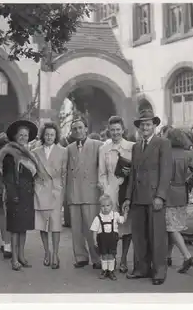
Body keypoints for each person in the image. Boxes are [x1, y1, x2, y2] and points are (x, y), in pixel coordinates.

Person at [124, 109, 172, 285]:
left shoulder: (163, 143)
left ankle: (159, 271)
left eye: (148, 124)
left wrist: (160, 196)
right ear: (138, 127)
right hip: (137, 197)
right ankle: (141, 269)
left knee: (157, 236)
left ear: (154, 125)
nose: (145, 127)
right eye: (142, 124)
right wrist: (128, 198)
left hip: (154, 198)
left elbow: (166, 172)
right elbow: (132, 174)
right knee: (139, 235)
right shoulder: (136, 146)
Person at [0, 120, 46, 271]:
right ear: (15, 136)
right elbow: (8, 178)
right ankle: (14, 259)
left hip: (27, 194)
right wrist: (13, 195)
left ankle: (21, 256)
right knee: (14, 228)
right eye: (21, 135)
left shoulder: (28, 153)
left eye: (26, 135)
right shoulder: (9, 153)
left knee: (23, 228)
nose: (23, 137)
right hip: (16, 195)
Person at [98, 116, 134, 274]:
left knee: (126, 226)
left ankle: (124, 259)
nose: (115, 133)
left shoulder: (132, 147)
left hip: (126, 189)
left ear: (123, 130)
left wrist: (130, 173)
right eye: (112, 130)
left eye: (118, 129)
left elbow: (137, 170)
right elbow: (101, 173)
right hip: (110, 191)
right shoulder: (103, 149)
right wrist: (106, 190)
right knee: (110, 228)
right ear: (109, 131)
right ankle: (111, 259)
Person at [66, 118, 104, 270]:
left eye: (80, 127)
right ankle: (80, 257)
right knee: (76, 228)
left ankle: (97, 258)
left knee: (91, 227)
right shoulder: (68, 148)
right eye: (74, 128)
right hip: (74, 192)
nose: (78, 131)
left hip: (91, 192)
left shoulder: (98, 145)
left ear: (86, 129)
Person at [163, 128, 193, 273]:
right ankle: (167, 257)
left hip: (168, 193)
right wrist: (188, 184)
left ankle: (187, 256)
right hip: (182, 192)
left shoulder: (166, 154)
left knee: (171, 227)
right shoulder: (187, 155)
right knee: (174, 227)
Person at [32, 122, 68, 270]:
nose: (49, 137)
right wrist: (37, 184)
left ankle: (55, 254)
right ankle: (46, 252)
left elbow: (65, 173)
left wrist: (62, 190)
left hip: (56, 190)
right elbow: (32, 171)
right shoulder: (35, 151)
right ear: (43, 135)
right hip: (41, 190)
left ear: (56, 136)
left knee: (55, 224)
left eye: (52, 135)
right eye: (47, 134)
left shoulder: (63, 151)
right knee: (42, 224)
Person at [90, 194, 127, 280]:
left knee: (111, 255)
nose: (105, 208)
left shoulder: (115, 215)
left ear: (112, 206)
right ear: (100, 206)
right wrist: (95, 240)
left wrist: (125, 213)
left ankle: (111, 270)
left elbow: (123, 220)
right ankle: (104, 270)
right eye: (103, 206)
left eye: (107, 205)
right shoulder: (98, 218)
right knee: (104, 255)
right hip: (102, 240)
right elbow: (94, 230)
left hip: (112, 239)